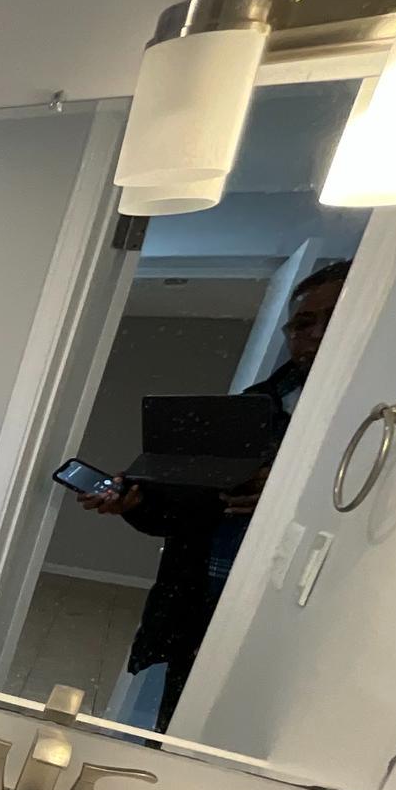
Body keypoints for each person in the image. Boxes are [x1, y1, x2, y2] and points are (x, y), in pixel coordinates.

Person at [80, 260, 350, 728]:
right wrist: (137, 504)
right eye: (304, 323)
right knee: (176, 729)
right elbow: (185, 512)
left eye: (336, 317)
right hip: (200, 598)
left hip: (305, 617)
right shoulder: (252, 407)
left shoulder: (369, 419)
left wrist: (293, 493)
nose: (318, 334)